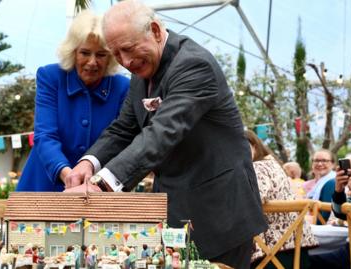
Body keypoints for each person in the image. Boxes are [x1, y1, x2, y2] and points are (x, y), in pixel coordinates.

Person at [65, 1, 267, 268]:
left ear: (156, 31)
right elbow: (124, 128)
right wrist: (88, 163)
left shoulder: (194, 65)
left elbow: (160, 134)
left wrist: (101, 185)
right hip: (176, 216)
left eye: (128, 49)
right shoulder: (141, 72)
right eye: (116, 54)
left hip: (219, 215)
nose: (126, 62)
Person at [15, 10, 129, 192]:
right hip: (43, 186)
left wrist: (95, 183)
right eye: (85, 53)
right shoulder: (50, 77)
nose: (92, 62)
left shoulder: (123, 87)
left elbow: (120, 141)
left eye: (100, 55)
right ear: (73, 52)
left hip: (95, 191)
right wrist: (69, 176)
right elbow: (45, 136)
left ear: (111, 57)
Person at [246, 130, 318, 268]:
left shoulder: (259, 167)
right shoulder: (272, 165)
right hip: (294, 245)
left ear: (255, 146)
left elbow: (252, 199)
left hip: (275, 249)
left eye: (242, 146)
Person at [308, 154, 351, 269]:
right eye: (349, 167)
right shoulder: (331, 183)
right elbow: (341, 214)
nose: (350, 172)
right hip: (348, 248)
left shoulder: (328, 183)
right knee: (302, 258)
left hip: (349, 252)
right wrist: (339, 190)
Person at [304, 149, 336, 222]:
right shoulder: (320, 182)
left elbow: (324, 217)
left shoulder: (332, 182)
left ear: (333, 164)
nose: (319, 164)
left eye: (324, 160)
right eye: (316, 161)